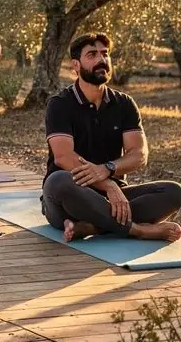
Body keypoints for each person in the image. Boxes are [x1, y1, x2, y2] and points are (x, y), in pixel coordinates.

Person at [43, 32, 181, 244]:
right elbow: (63, 157)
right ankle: (138, 230)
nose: (101, 60)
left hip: (113, 197)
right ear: (76, 65)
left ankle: (93, 227)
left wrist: (107, 169)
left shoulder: (124, 104)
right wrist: (108, 185)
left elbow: (138, 154)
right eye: (92, 55)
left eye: (105, 54)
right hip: (70, 197)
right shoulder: (60, 104)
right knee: (59, 180)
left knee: (173, 192)